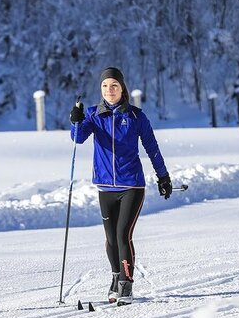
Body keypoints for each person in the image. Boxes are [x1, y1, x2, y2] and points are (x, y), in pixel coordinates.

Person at [69, 66, 172, 305]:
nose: (109, 90)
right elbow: (78, 137)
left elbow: (152, 148)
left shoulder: (136, 116)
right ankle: (116, 278)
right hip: (105, 187)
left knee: (123, 235)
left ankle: (126, 284)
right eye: (105, 86)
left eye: (114, 85)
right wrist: (76, 120)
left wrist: (163, 176)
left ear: (122, 87)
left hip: (131, 186)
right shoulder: (94, 115)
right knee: (111, 239)